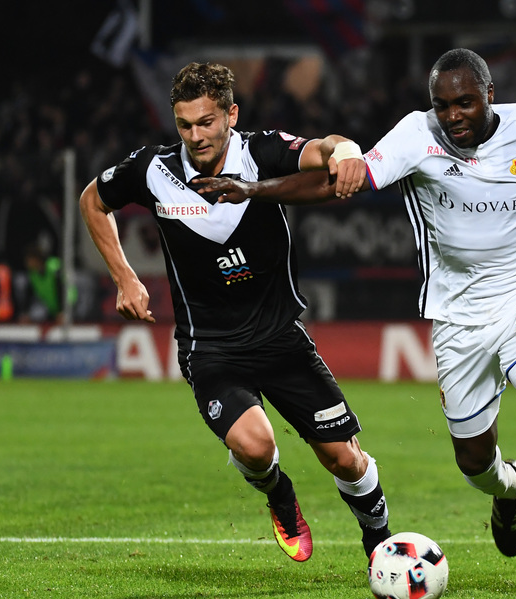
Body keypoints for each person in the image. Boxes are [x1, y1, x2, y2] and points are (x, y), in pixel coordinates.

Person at [194, 48, 516, 599]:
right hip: (457, 318)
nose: (453, 115)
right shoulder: (415, 137)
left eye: (464, 102)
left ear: (489, 96)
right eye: (442, 104)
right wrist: (254, 190)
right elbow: (337, 184)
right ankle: (509, 490)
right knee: (476, 463)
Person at [78, 62, 391, 562]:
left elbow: (326, 148)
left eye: (206, 122)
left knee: (344, 459)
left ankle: (378, 537)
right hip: (211, 347)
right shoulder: (152, 170)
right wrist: (125, 277)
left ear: (231, 115)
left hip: (280, 339)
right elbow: (93, 200)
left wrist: (349, 149)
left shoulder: (262, 152)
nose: (195, 136)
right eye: (185, 124)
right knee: (255, 445)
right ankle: (279, 496)